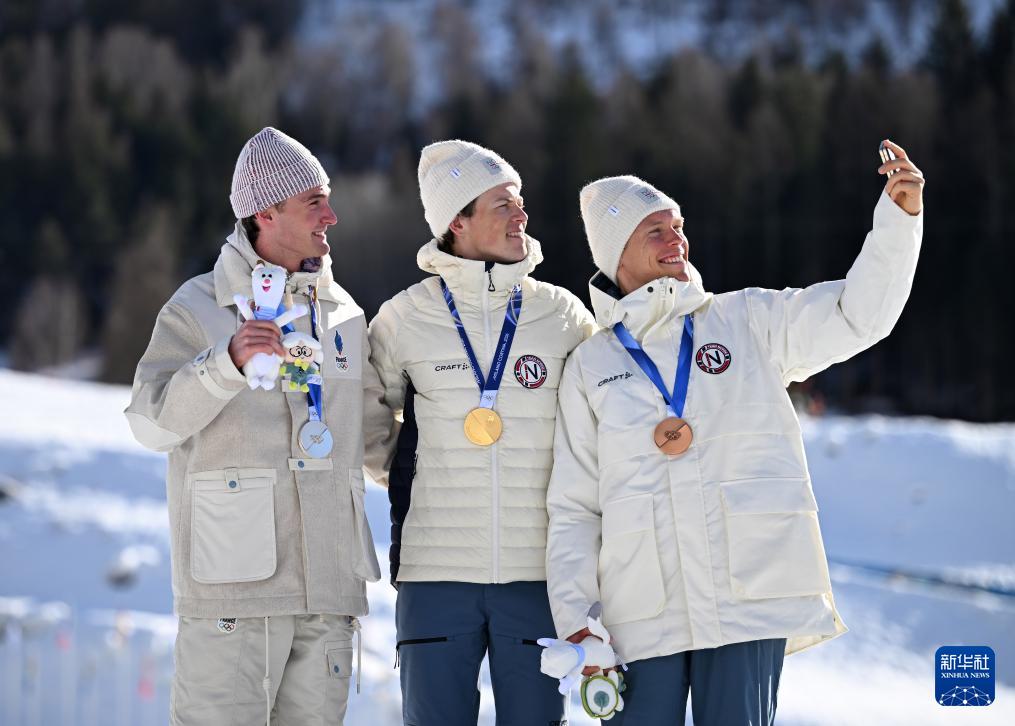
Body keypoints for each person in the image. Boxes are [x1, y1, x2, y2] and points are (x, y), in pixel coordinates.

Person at [545, 140, 924, 724]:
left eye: (678, 226)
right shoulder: (590, 366)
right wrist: (576, 616)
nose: (677, 239)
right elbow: (572, 508)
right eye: (655, 231)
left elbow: (856, 314)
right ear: (617, 252)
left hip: (747, 599)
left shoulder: (747, 321)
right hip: (638, 615)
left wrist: (897, 222)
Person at [125, 127, 392, 725]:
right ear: (266, 213)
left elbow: (376, 442)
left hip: (328, 594)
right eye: (314, 202)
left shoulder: (344, 315)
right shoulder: (196, 308)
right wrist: (226, 365)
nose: (333, 215)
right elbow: (150, 422)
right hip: (234, 593)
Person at [366, 140, 597, 725]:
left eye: (520, 202)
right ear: (457, 222)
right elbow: (367, 417)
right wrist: (410, 474)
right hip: (434, 575)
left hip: (539, 576)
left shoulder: (562, 316)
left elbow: (606, 416)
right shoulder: (403, 318)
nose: (521, 215)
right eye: (502, 204)